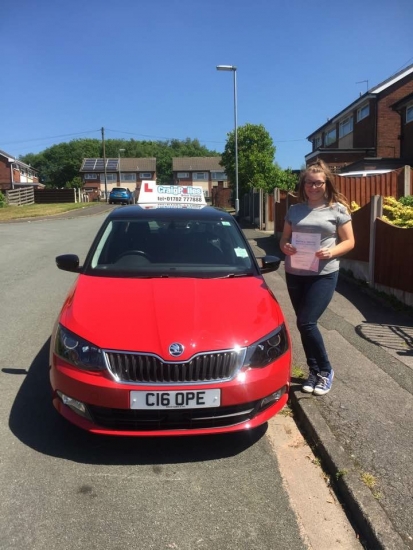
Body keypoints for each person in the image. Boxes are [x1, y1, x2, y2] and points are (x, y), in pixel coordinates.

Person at [280, 159, 355, 396]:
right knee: (304, 324)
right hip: (295, 272)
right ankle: (314, 372)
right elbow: (283, 240)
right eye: (309, 183)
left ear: (326, 184)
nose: (313, 187)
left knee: (307, 321)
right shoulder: (294, 210)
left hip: (323, 274)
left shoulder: (337, 210)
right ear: (303, 185)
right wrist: (286, 247)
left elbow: (350, 242)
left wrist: (330, 252)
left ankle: (326, 370)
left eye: (318, 183)